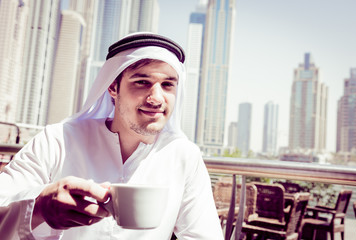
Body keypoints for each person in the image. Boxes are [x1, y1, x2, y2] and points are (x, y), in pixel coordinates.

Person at [0, 32, 224, 239]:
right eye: (141, 82)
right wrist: (39, 207)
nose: (156, 98)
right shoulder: (58, 140)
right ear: (112, 88)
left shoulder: (184, 156)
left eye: (167, 85)